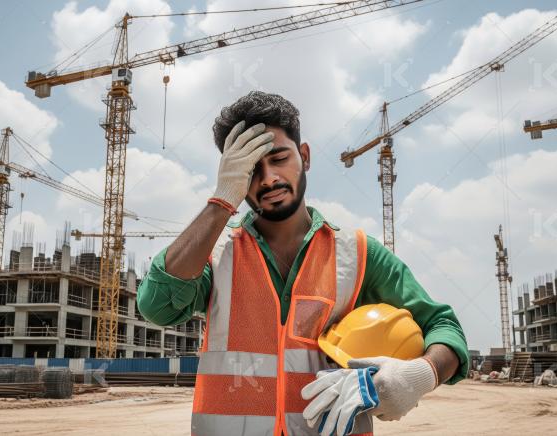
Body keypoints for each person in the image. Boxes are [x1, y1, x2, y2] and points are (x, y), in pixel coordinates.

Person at [138, 91, 469, 436]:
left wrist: (420, 375)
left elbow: (444, 327)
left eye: (278, 158)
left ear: (305, 156)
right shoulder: (215, 253)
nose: (268, 179)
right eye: (249, 169)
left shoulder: (357, 253)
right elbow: (156, 306)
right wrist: (223, 199)